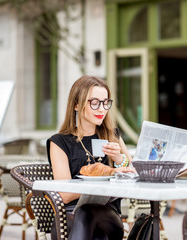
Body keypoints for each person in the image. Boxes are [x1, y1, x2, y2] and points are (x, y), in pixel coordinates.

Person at [46, 75, 134, 240]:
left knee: (88, 214)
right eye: (94, 103)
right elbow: (64, 194)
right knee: (90, 225)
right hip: (69, 218)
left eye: (105, 102)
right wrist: (101, 181)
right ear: (76, 105)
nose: (102, 109)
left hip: (108, 217)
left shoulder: (112, 135)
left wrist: (118, 159)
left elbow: (134, 173)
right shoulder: (59, 142)